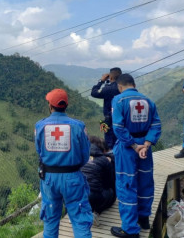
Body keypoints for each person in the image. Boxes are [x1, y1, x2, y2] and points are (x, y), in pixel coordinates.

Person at [35, 88, 93, 238]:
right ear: (66, 105)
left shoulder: (40, 126)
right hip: (73, 178)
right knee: (80, 219)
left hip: (49, 179)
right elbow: (85, 155)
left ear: (50, 105)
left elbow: (39, 152)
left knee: (50, 218)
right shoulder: (78, 126)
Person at [111, 74, 161, 237]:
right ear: (133, 84)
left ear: (120, 86)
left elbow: (118, 127)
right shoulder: (148, 101)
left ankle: (130, 229)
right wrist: (146, 145)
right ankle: (144, 218)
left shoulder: (118, 100)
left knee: (126, 185)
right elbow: (156, 125)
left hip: (128, 147)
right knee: (145, 181)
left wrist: (133, 145)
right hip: (145, 147)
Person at [81, 136, 116, 226]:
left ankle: (77, 213)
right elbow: (110, 182)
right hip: (94, 196)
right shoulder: (104, 160)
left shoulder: (79, 157)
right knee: (111, 193)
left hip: (76, 194)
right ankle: (96, 213)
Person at [91, 67, 122, 148]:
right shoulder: (123, 88)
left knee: (110, 145)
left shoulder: (108, 88)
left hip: (109, 121)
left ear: (110, 77)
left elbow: (94, 92)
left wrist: (101, 81)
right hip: (122, 120)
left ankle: (112, 160)